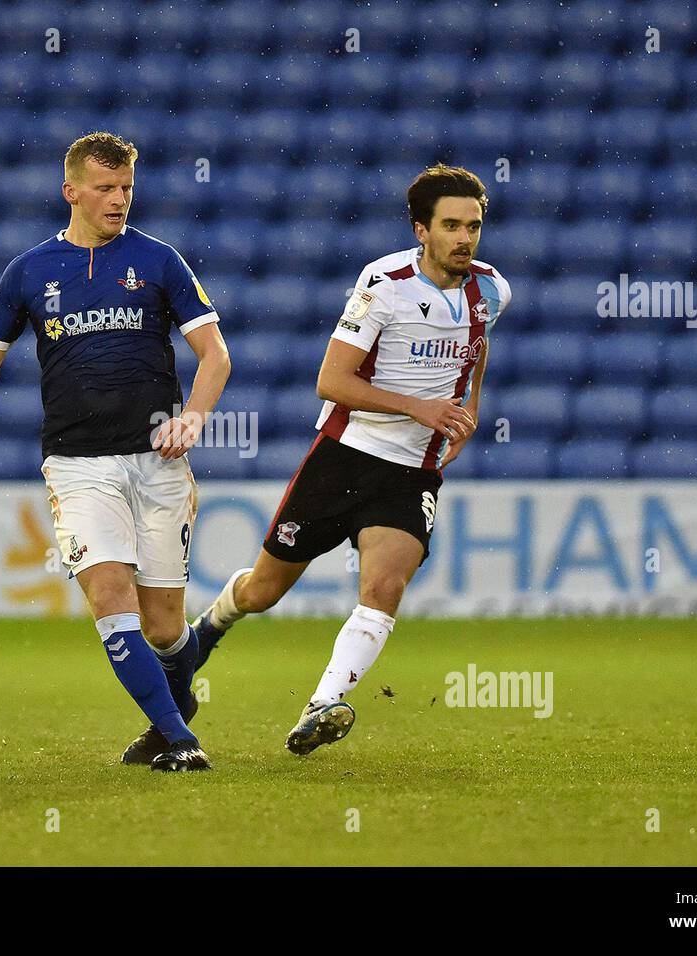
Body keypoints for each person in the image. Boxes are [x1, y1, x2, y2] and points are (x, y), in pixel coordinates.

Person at [0, 132, 231, 771]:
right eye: (105, 188)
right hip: (78, 465)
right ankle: (180, 740)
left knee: (166, 628)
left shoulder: (161, 261)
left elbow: (215, 355)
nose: (119, 200)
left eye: (126, 188)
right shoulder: (30, 271)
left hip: (159, 463)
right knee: (109, 597)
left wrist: (194, 419)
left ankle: (168, 717)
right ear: (72, 192)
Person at [191, 164, 511, 755]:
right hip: (344, 457)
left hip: (412, 471)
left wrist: (466, 408)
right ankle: (207, 630)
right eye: (451, 226)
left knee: (385, 584)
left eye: (474, 226)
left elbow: (477, 348)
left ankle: (322, 706)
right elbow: (331, 381)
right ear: (421, 229)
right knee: (263, 591)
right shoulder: (383, 282)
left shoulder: (491, 288)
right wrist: (418, 407)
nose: (465, 239)